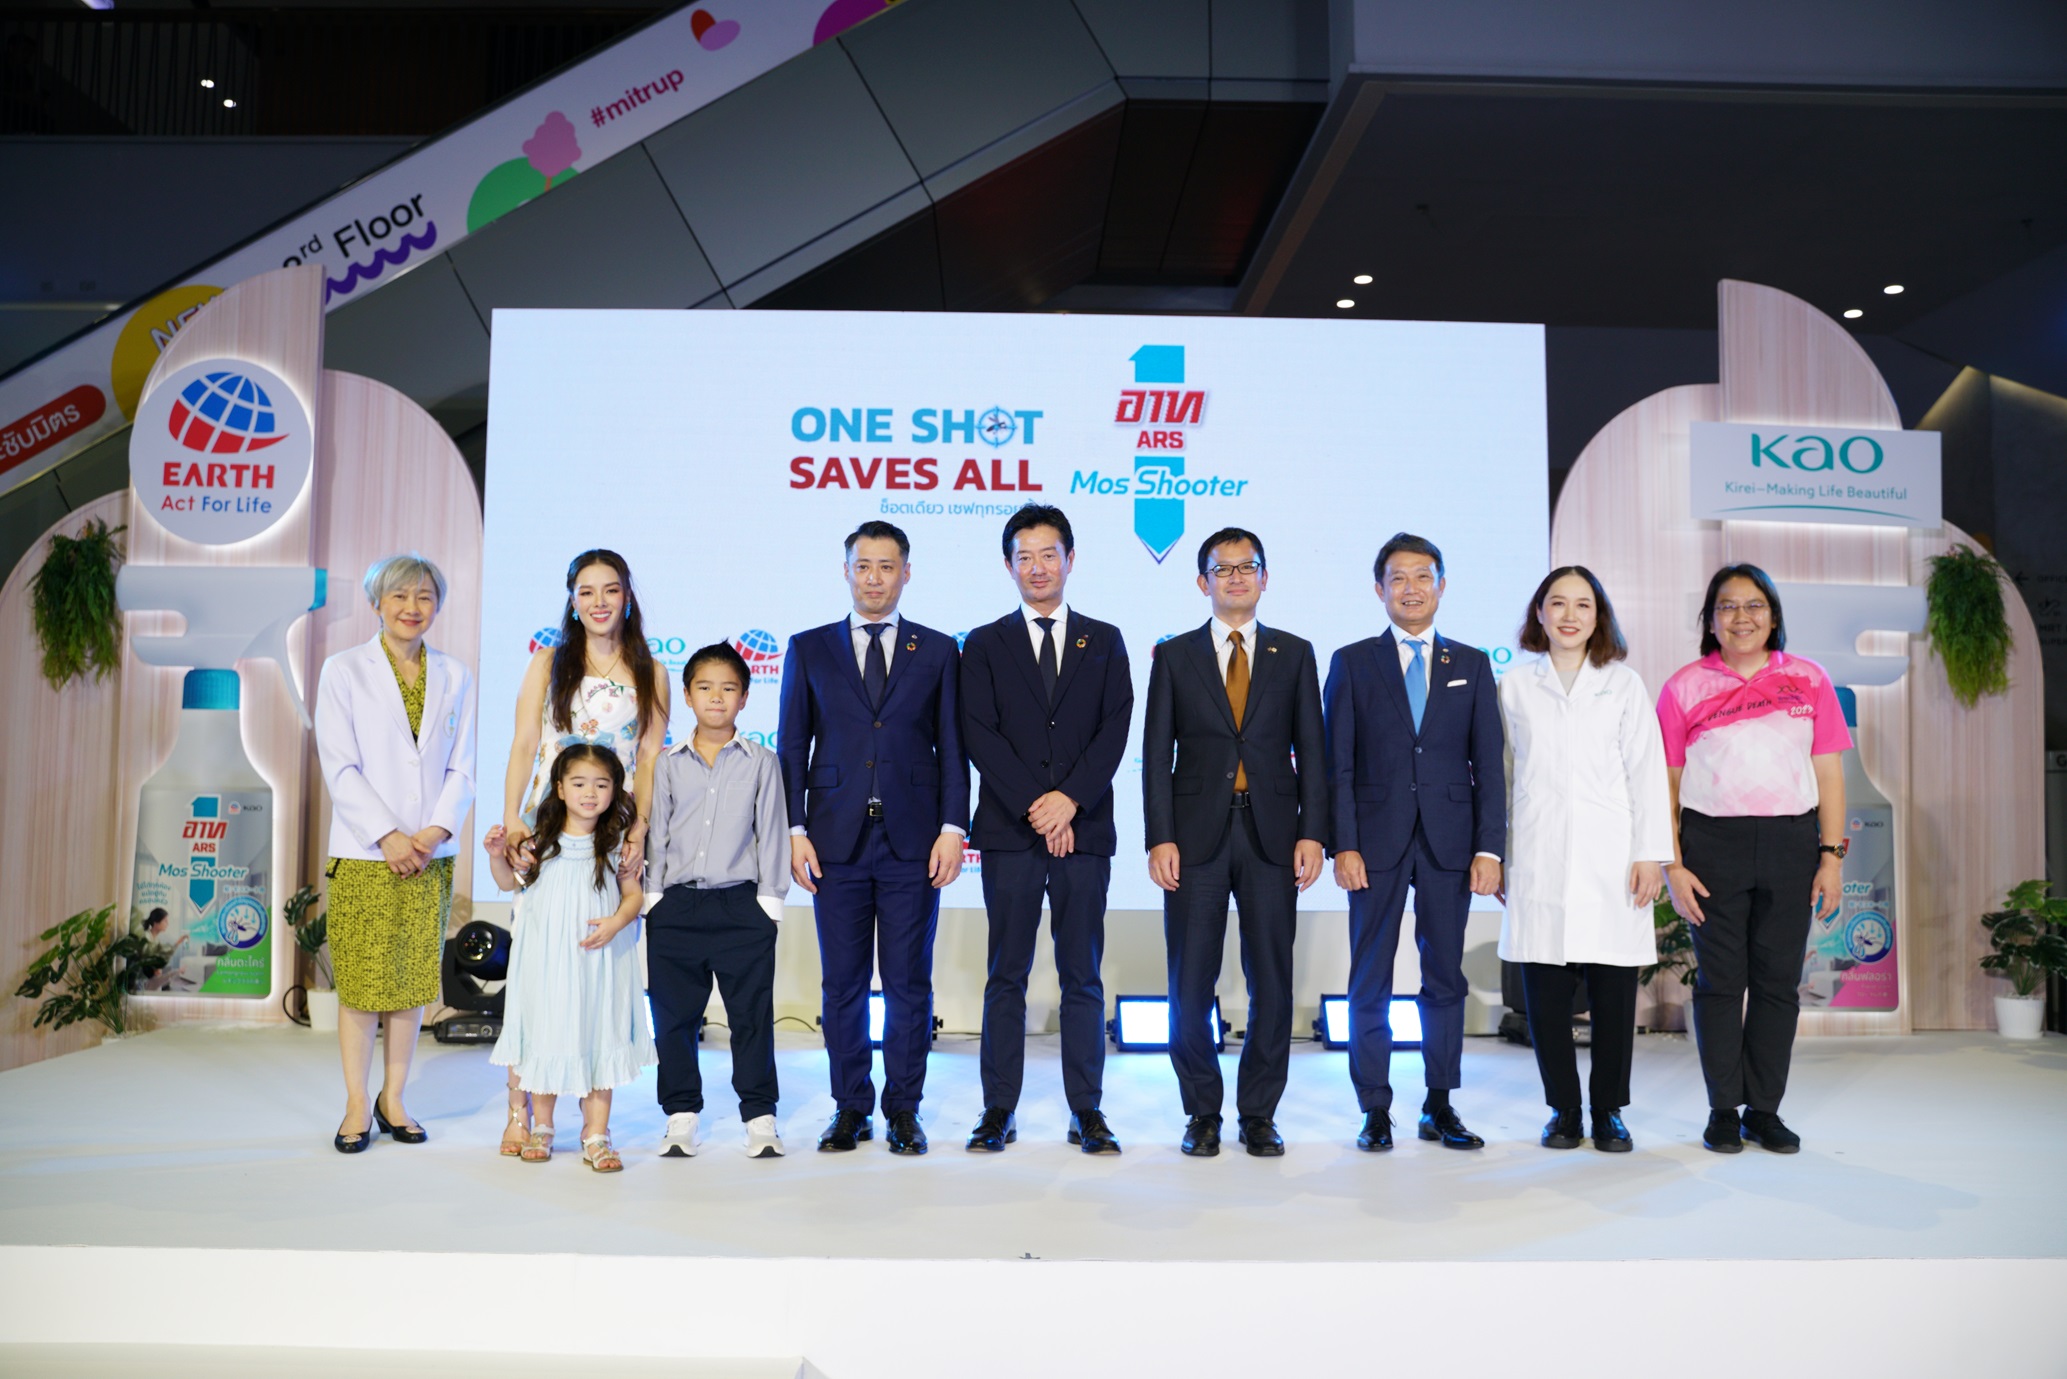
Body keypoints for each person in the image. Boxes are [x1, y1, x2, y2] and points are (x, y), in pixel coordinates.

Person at [778, 521, 969, 1155]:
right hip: (834, 843)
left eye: (887, 567)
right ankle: (850, 1107)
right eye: (863, 566)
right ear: (846, 571)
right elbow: (792, 747)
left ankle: (904, 1110)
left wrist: (952, 828)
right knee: (842, 984)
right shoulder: (809, 648)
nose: (875, 578)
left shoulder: (937, 650)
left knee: (910, 983)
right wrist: (795, 830)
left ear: (906, 573)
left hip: (914, 842)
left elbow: (953, 747)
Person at [1143, 527, 1327, 1158]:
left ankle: (1259, 1113)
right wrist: (1160, 837)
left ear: (1265, 578)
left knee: (1271, 980)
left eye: (1248, 566)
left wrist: (1313, 833)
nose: (1236, 577)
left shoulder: (1294, 653)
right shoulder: (1174, 656)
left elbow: (1314, 753)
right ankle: (1201, 1111)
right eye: (1223, 569)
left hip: (1272, 836)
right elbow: (1155, 756)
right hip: (1194, 839)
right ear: (1203, 582)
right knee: (1189, 982)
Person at [959, 505, 1134, 1155]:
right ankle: (997, 1108)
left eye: (1048, 554)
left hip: (1083, 832)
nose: (1037, 567)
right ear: (1008, 565)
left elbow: (1114, 728)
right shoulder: (983, 643)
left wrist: (1069, 802)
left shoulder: (1105, 639)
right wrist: (1040, 805)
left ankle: (1087, 1108)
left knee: (1081, 974)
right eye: (1024, 557)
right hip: (1011, 831)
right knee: (1005, 973)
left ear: (1070, 559)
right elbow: (980, 733)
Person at [1658, 564, 1849, 1155]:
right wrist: (1672, 865)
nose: (1741, 617)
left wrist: (1831, 857)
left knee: (1777, 984)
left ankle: (1763, 1111)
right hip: (1712, 845)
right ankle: (1722, 1110)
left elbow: (1829, 775)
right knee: (1720, 983)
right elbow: (1666, 784)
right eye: (1727, 606)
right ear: (1710, 619)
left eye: (1754, 605)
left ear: (1773, 615)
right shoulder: (1683, 686)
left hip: (1793, 843)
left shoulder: (1809, 679)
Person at [1322, 532, 1504, 1152]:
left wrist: (1490, 849)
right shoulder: (1352, 661)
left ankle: (1439, 1103)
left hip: (1451, 845)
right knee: (1369, 977)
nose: (1410, 588)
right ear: (1379, 589)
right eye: (1397, 578)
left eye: (1422, 576)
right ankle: (1374, 1107)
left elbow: (1489, 765)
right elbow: (1337, 764)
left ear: (1442, 586)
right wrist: (1343, 844)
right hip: (1373, 844)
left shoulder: (1471, 664)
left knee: (1445, 976)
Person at [495, 549, 669, 1154]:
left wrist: (638, 828)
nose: (599, 602)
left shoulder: (650, 670)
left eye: (611, 590)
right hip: (546, 830)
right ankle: (521, 1114)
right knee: (538, 974)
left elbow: (648, 757)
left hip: (609, 830)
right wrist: (513, 817)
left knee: (600, 974)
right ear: (572, 601)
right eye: (587, 591)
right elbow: (524, 743)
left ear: (627, 597)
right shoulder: (549, 662)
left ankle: (596, 1126)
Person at [1497, 566, 1672, 1152]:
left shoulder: (1623, 684)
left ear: (1599, 617)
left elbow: (1646, 772)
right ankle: (1563, 1110)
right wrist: (1500, 854)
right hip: (1537, 855)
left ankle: (1609, 1110)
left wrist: (1650, 854)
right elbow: (1502, 776)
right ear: (1539, 613)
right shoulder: (1515, 686)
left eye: (1583, 605)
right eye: (1557, 603)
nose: (1569, 615)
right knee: (1546, 998)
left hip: (1612, 859)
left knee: (1613, 996)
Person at [313, 553, 477, 1154]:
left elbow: (463, 766)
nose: (413, 607)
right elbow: (339, 765)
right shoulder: (343, 670)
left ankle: (395, 1098)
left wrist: (432, 832)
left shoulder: (456, 674)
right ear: (376, 602)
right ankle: (357, 1103)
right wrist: (388, 835)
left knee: (409, 983)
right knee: (362, 985)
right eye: (401, 596)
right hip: (365, 854)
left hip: (429, 854)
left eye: (425, 597)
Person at [642, 643, 792, 1160]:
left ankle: (760, 1116)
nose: (716, 697)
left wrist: (769, 903)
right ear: (687, 696)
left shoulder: (762, 762)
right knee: (674, 1018)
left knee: (751, 1017)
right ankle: (681, 1115)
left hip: (741, 908)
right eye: (705, 687)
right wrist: (654, 899)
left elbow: (772, 831)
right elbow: (658, 832)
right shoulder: (667, 764)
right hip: (676, 908)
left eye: (728, 688)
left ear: (744, 697)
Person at [482, 744, 653, 1172]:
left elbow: (633, 896)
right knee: (548, 1031)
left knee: (597, 1033)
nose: (589, 793)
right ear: (559, 788)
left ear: (615, 790)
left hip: (598, 959)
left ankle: (596, 1133)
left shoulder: (617, 843)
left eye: (601, 784)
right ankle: (542, 1127)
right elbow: (508, 882)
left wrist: (616, 922)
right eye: (579, 783)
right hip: (546, 959)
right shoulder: (539, 839)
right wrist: (496, 855)